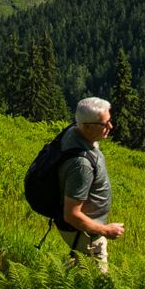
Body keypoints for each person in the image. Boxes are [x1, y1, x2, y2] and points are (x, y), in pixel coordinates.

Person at [55, 95, 121, 269]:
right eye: (104, 124)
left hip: (82, 230)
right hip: (84, 232)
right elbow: (71, 215)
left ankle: (58, 288)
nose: (110, 127)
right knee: (97, 287)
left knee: (77, 272)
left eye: (109, 120)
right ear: (87, 126)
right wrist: (106, 231)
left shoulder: (75, 133)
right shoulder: (81, 164)